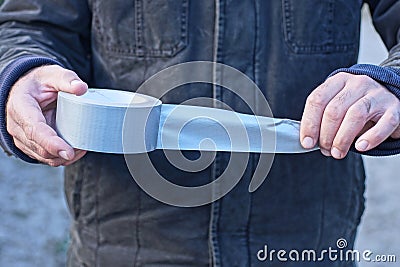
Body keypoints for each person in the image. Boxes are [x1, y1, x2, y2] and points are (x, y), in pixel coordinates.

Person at [0, 0, 399, 266]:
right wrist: (22, 72)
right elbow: (30, 23)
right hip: (125, 242)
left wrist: (391, 82)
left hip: (304, 240)